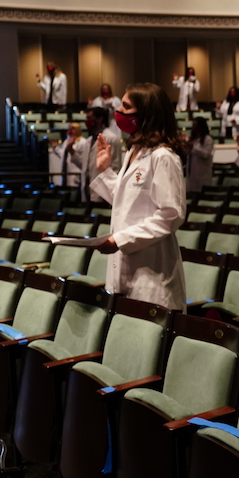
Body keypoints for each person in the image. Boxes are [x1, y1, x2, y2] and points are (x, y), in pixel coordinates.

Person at [89, 83, 187, 311]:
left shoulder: (163, 156)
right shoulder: (134, 151)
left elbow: (170, 216)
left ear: (146, 114)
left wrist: (120, 240)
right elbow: (127, 201)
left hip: (152, 275)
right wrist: (105, 171)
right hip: (125, 270)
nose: (119, 112)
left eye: (125, 107)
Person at [77, 107, 122, 202]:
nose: (87, 121)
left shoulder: (111, 138)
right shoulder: (88, 141)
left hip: (104, 193)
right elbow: (85, 165)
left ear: (99, 119)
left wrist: (108, 189)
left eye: (90, 118)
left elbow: (115, 167)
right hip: (87, 190)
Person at [49, 122, 86, 187]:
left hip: (76, 172)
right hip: (66, 172)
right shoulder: (67, 141)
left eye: (72, 129)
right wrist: (55, 148)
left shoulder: (83, 142)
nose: (70, 131)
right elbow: (63, 155)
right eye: (69, 129)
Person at [185, 117, 214, 194]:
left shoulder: (208, 139)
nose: (194, 128)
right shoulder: (192, 139)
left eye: (196, 125)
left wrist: (193, 147)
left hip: (202, 175)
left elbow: (206, 154)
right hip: (191, 175)